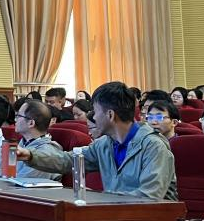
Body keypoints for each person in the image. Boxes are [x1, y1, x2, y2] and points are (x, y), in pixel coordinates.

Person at [18, 81, 178, 200]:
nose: (93, 117)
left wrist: (100, 200)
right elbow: (69, 160)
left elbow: (148, 197)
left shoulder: (154, 147)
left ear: (110, 115)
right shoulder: (105, 144)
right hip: (116, 219)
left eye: (96, 111)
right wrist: (31, 156)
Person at [14, 100, 63, 179]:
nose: (15, 120)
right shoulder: (24, 143)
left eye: (18, 116)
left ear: (31, 123)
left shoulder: (45, 153)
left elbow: (20, 181)